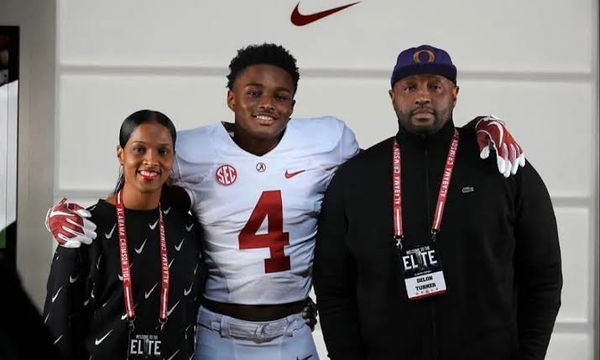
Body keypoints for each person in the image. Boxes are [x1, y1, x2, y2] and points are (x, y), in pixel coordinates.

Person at [45, 44, 525, 360]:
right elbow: (141, 175)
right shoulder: (190, 148)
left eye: (281, 95)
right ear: (230, 97)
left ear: (294, 103)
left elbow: (387, 175)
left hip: (293, 329)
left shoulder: (328, 139)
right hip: (217, 330)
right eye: (253, 92)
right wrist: (81, 215)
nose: (267, 103)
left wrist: (474, 129)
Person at [313, 44, 562, 360]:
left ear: (455, 94)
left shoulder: (500, 167)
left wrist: (530, 355)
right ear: (392, 96)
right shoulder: (356, 177)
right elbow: (333, 286)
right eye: (410, 87)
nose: (422, 96)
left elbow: (544, 275)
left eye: (435, 86)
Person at [43, 110, 204, 359]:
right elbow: (58, 326)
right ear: (121, 153)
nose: (151, 160)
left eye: (162, 151)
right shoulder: (84, 229)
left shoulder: (187, 229)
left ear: (173, 158)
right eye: (139, 149)